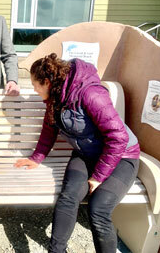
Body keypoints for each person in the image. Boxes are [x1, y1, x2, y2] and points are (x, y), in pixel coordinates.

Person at [14, 53, 140, 253]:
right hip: (86, 154)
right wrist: (36, 158)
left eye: (35, 84)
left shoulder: (91, 94)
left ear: (47, 81)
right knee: (69, 197)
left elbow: (118, 138)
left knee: (98, 209)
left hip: (121, 156)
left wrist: (98, 177)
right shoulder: (55, 97)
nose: (34, 89)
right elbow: (49, 129)